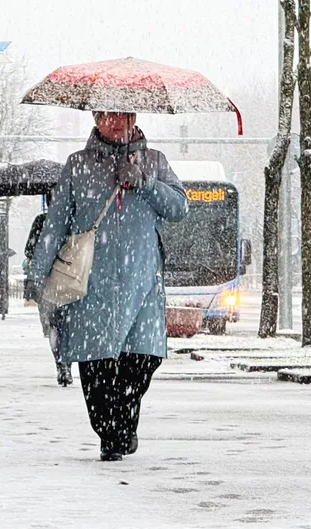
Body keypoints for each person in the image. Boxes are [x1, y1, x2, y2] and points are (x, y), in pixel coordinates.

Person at [30, 111, 188, 462]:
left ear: (134, 117)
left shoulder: (156, 161)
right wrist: (38, 272)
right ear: (95, 118)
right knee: (96, 365)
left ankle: (122, 426)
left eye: (122, 115)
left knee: (142, 359)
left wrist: (145, 182)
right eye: (106, 116)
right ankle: (110, 433)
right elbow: (57, 223)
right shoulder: (77, 166)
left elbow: (179, 208)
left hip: (142, 282)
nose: (114, 122)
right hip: (92, 285)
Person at [25, 196, 72, 386]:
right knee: (66, 325)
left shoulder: (41, 221)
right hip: (69, 279)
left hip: (51, 281)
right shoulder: (73, 219)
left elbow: (29, 250)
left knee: (55, 325)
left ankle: (61, 363)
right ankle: (65, 363)